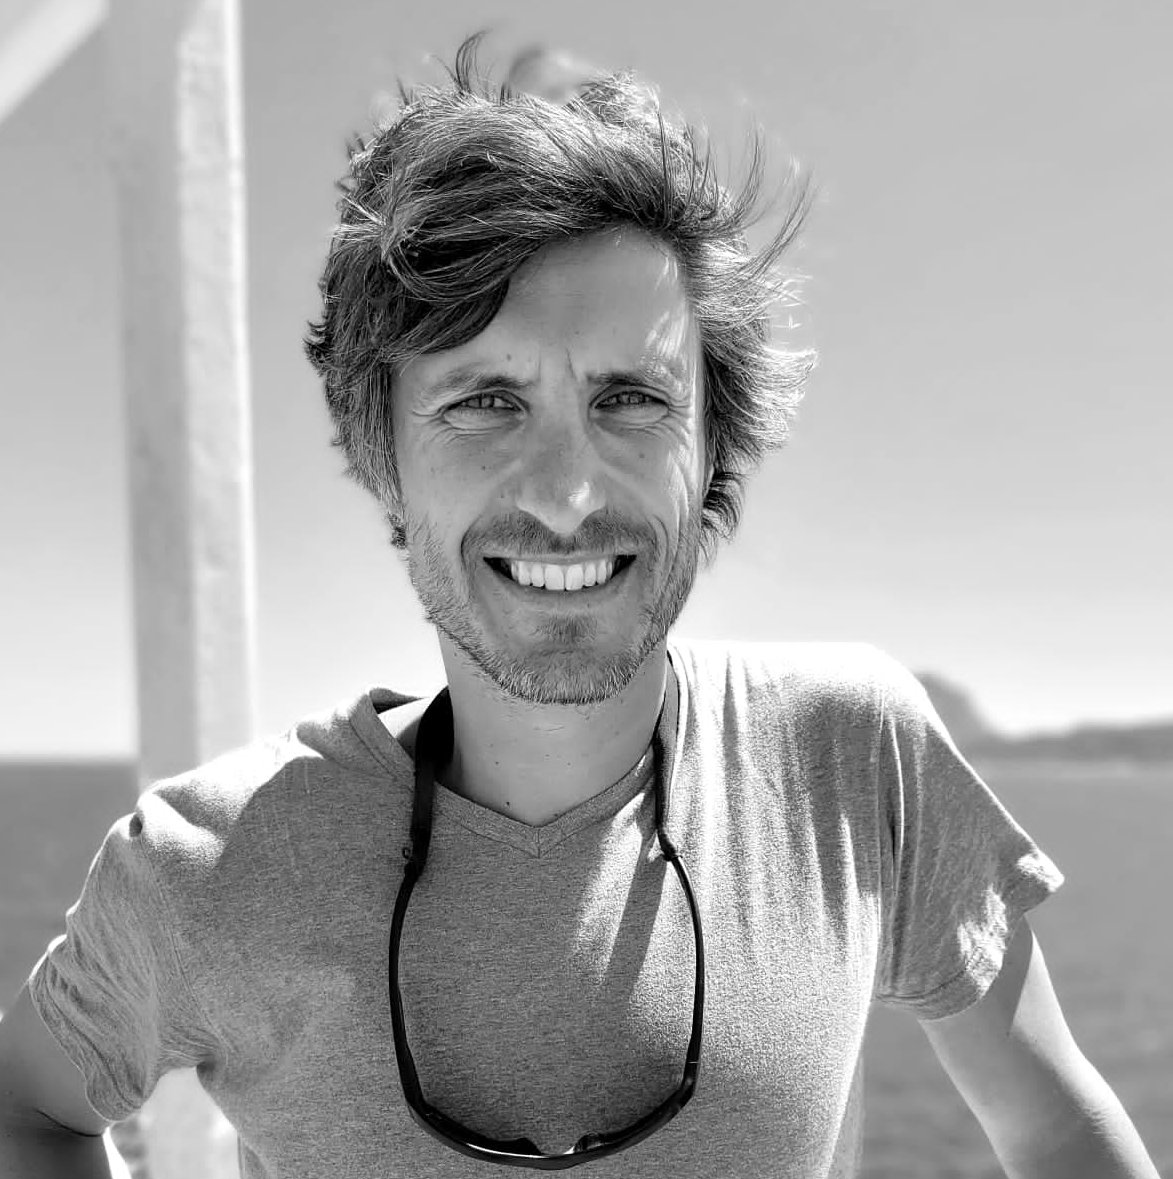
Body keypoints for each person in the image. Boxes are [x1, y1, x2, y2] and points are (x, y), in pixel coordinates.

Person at [0, 31, 1160, 1179]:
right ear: (384, 457)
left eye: (630, 399)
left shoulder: (850, 757)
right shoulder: (206, 867)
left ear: (711, 451)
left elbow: (1056, 1128)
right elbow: (27, 1109)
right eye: (485, 402)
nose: (565, 493)